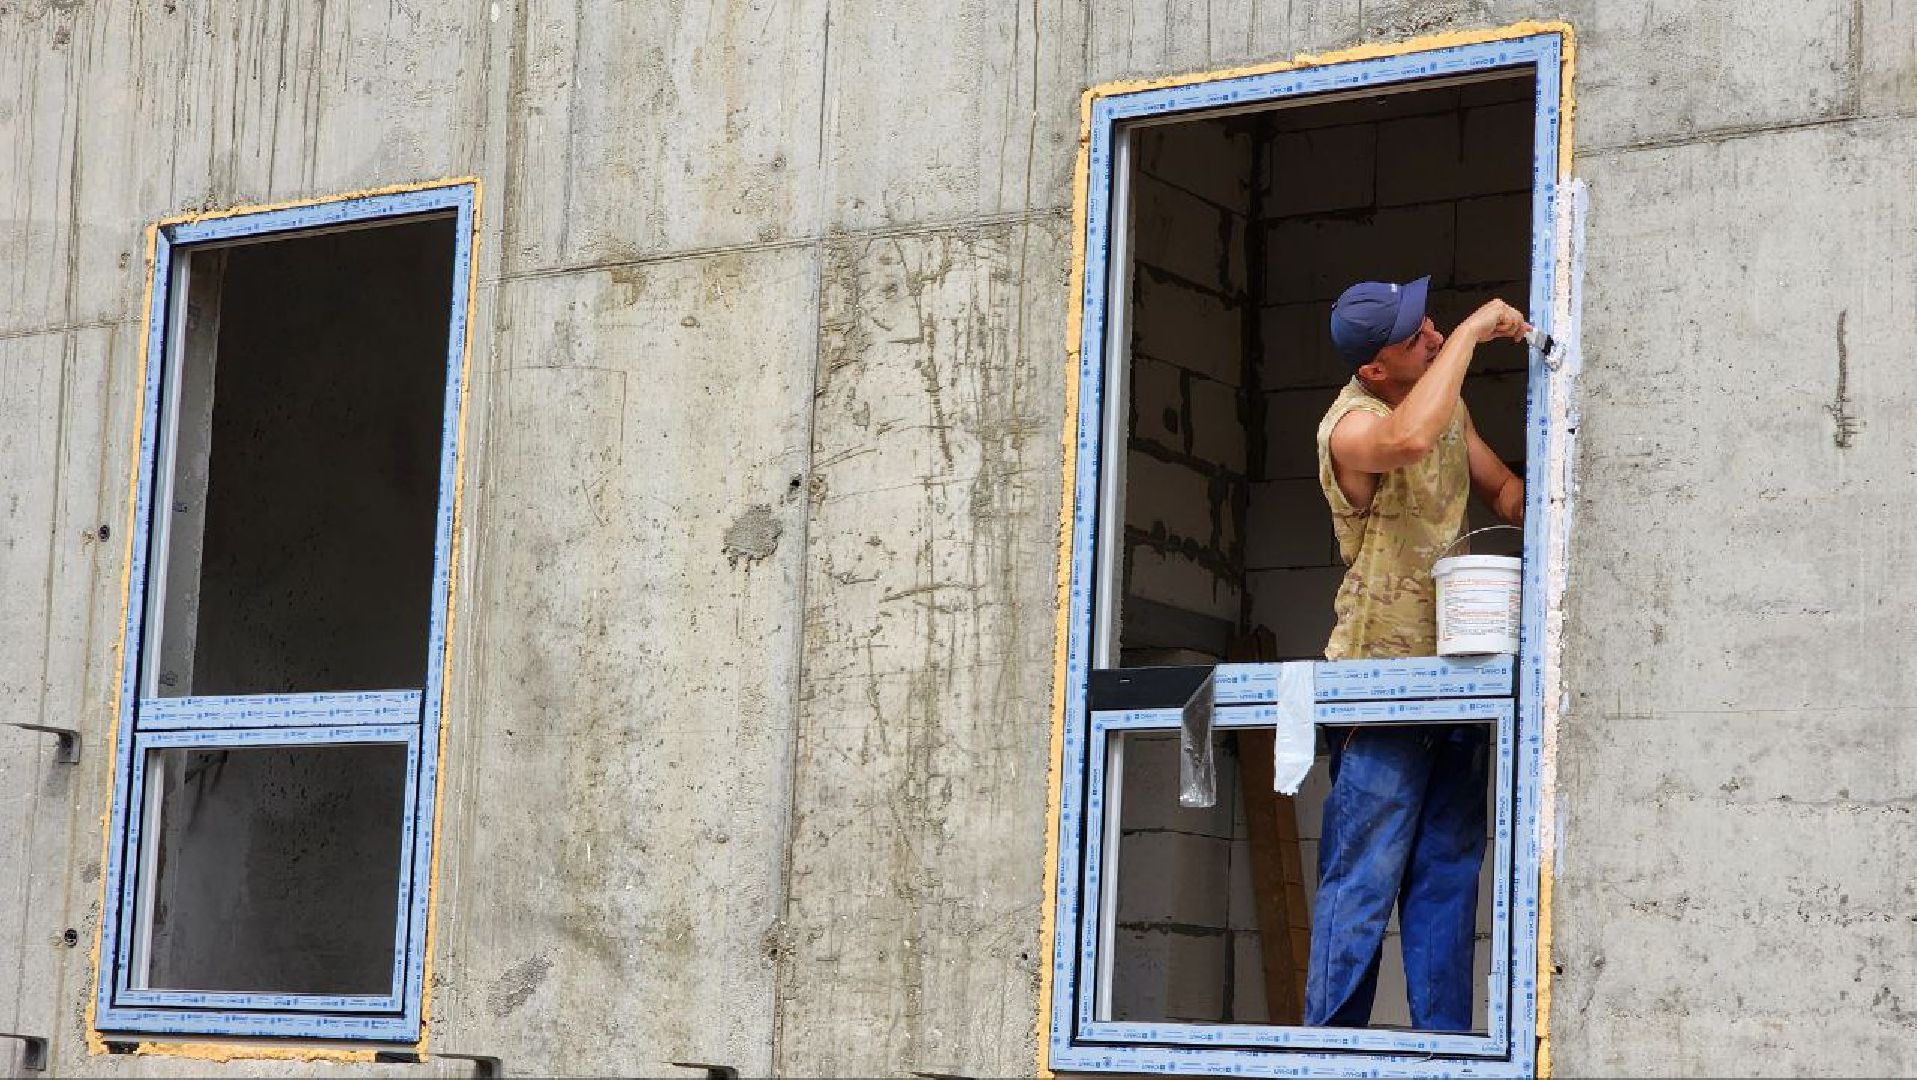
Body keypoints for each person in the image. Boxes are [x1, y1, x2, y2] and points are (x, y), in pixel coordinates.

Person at [1304, 275, 1529, 1032]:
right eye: (1416, 337)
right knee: (1361, 882)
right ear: (1374, 368)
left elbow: (1500, 490)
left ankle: (1442, 1052)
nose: (1432, 335)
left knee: (1444, 882)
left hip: (1457, 677)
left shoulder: (1448, 408)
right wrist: (1469, 335)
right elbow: (1404, 442)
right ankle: (1326, 1056)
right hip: (1378, 684)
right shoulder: (1350, 425)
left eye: (1433, 322)